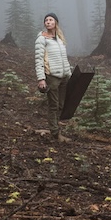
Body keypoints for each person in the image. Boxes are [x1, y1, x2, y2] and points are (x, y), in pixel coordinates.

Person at [34, 12, 72, 142]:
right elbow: (39, 59)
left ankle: (55, 127)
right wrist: (41, 79)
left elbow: (64, 59)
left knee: (61, 105)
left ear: (56, 22)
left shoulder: (59, 39)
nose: (48, 22)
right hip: (52, 77)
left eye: (51, 20)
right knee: (54, 105)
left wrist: (69, 74)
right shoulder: (41, 39)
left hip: (64, 77)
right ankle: (56, 134)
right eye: (46, 20)